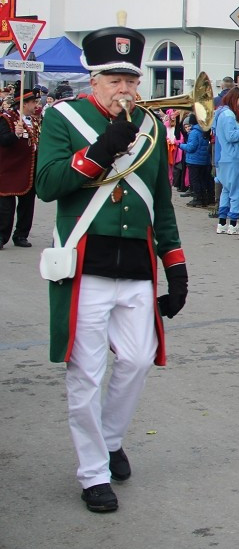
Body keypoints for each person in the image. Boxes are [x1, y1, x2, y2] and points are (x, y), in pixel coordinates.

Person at [35, 25, 187, 513]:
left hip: (137, 266)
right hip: (86, 266)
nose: (124, 88)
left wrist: (176, 267)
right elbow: (48, 184)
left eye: (130, 79)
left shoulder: (152, 127)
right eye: (113, 78)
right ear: (93, 80)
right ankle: (92, 472)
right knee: (87, 372)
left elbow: (161, 202)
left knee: (140, 359)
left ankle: (111, 437)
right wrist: (102, 148)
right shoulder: (64, 118)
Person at [0, 86, 42, 248]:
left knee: (27, 206)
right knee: (5, 207)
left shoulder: (35, 120)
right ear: (24, 103)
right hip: (10, 169)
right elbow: (3, 141)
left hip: (29, 169)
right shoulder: (6, 118)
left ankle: (21, 235)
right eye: (34, 103)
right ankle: (2, 236)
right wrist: (14, 135)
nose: (36, 106)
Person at [212, 86, 239, 235]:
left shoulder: (220, 113)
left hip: (222, 158)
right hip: (231, 158)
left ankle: (222, 223)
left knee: (226, 191)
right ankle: (233, 224)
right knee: (236, 191)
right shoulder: (228, 115)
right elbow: (232, 136)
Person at [177, 112, 212, 208]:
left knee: (195, 180)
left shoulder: (194, 132)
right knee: (202, 180)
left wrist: (180, 145)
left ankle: (197, 199)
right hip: (204, 160)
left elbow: (191, 148)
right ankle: (204, 199)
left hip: (194, 160)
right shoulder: (204, 130)